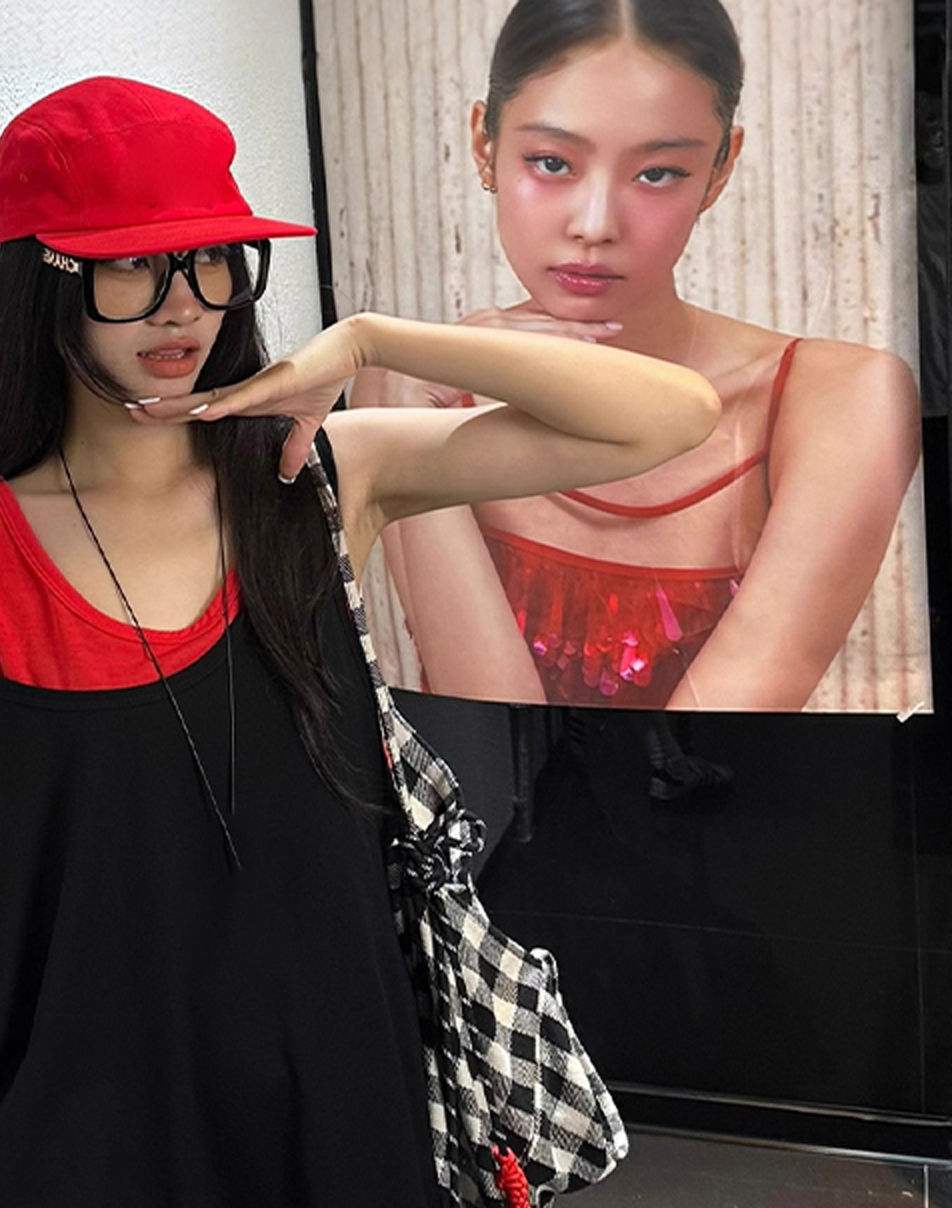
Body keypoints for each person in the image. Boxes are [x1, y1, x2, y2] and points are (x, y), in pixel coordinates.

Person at [0, 75, 717, 1208]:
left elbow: (665, 415)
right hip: (84, 1157)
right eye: (135, 267)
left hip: (331, 1144)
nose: (185, 306)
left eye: (216, 260)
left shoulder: (317, 479)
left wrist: (373, 340)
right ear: (42, 279)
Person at [352, 0, 922, 712]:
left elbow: (708, 750)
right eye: (552, 162)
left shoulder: (844, 399)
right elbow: (491, 742)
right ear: (484, 145)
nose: (595, 225)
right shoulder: (410, 388)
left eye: (657, 173)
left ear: (719, 169)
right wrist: (408, 391)